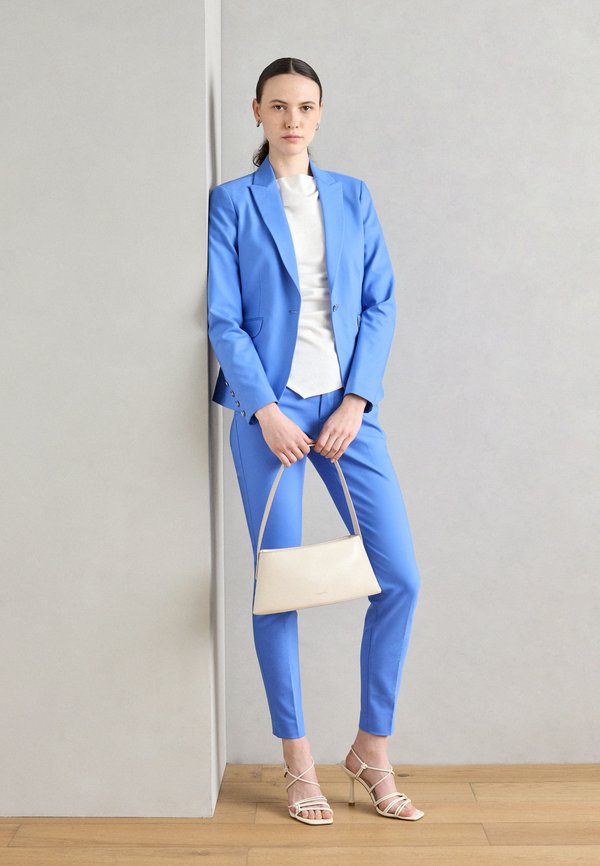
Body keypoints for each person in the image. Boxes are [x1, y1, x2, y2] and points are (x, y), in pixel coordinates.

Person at [207, 57, 424, 825]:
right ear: (257, 113)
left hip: (345, 409)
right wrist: (265, 410)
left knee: (399, 578)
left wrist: (357, 399)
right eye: (278, 106)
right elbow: (223, 317)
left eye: (305, 106)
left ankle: (371, 749)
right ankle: (297, 763)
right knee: (281, 584)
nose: (292, 119)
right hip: (270, 413)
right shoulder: (232, 202)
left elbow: (381, 301)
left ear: (320, 114)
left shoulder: (353, 197)